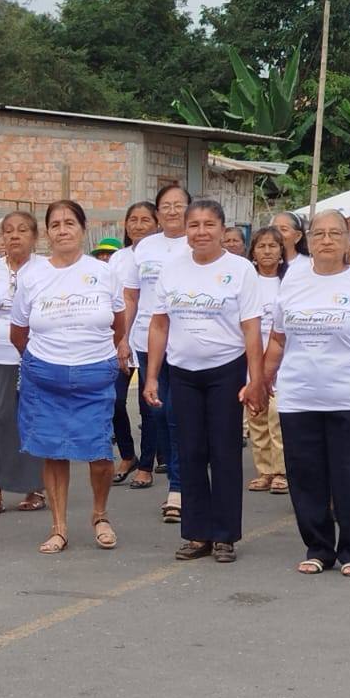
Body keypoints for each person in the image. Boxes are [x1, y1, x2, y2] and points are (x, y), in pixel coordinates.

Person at [264, 209, 350, 577]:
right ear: (308, 240)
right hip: (299, 397)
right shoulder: (292, 281)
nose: (326, 240)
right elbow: (277, 340)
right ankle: (318, 548)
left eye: (334, 233)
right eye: (319, 233)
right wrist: (261, 381)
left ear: (347, 239)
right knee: (306, 477)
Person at [143, 199, 265, 562]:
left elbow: (251, 328)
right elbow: (159, 324)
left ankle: (225, 535)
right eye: (193, 225)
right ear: (186, 230)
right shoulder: (172, 270)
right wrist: (151, 376)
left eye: (209, 225)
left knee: (224, 452)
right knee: (189, 450)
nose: (201, 232)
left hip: (226, 370)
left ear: (223, 229)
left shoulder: (240, 269)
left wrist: (255, 379)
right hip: (183, 373)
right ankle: (197, 533)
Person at [10, 200, 127, 554]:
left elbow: (118, 325)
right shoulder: (32, 275)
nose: (63, 230)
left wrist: (89, 354)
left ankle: (100, 515)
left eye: (69, 223)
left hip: (95, 375)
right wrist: (46, 360)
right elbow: (18, 332)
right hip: (45, 376)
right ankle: (59, 527)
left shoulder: (104, 272)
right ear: (48, 232)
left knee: (99, 452)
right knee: (53, 451)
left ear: (83, 228)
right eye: (55, 224)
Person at [122, 183, 191, 523]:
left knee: (178, 412)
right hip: (147, 339)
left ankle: (178, 487)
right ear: (158, 211)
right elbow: (131, 297)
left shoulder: (195, 242)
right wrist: (122, 338)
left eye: (179, 205)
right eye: (166, 205)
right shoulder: (145, 247)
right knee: (159, 412)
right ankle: (178, 474)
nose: (172, 211)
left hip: (186, 340)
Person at [0, 211, 47, 517]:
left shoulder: (46, 269)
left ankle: (35, 487)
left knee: (32, 419)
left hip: (36, 353)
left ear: (35, 237)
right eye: (8, 231)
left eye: (22, 230)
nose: (14, 236)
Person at [108, 200, 158, 487]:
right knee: (114, 400)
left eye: (145, 220)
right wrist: (120, 339)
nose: (138, 226)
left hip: (152, 339)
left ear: (157, 224)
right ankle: (128, 455)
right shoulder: (118, 258)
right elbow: (118, 300)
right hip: (120, 339)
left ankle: (147, 465)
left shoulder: (161, 257)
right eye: (133, 220)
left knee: (148, 405)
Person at [245, 226, 288, 495]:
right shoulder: (247, 281)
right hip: (251, 356)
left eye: (273, 246)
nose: (267, 251)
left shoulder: (289, 282)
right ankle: (265, 470)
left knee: (277, 415)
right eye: (261, 246)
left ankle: (282, 470)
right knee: (256, 413)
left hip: (282, 359)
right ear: (253, 252)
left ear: (282, 251)